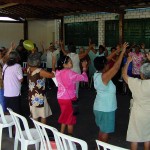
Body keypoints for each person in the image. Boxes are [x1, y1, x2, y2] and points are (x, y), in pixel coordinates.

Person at [93, 42, 128, 143]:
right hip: (106, 109)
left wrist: (117, 51)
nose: (108, 63)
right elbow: (116, 68)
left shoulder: (97, 74)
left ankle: (98, 147)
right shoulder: (104, 77)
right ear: (104, 66)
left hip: (99, 108)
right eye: (106, 63)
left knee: (102, 130)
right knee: (105, 132)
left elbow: (106, 59)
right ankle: (102, 147)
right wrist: (122, 53)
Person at [122, 54, 150, 150]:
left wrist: (128, 62)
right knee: (147, 137)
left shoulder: (136, 83)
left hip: (137, 113)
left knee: (135, 136)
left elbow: (124, 75)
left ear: (141, 74)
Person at [55, 55, 88, 135]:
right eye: (70, 61)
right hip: (70, 99)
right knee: (70, 120)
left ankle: (61, 135)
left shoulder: (58, 72)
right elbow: (84, 78)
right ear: (64, 64)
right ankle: (69, 139)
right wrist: (84, 69)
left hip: (60, 98)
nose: (72, 62)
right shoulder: (70, 73)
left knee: (64, 115)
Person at [27, 53, 55, 124]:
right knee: (43, 114)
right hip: (40, 96)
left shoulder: (28, 69)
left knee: (34, 114)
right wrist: (53, 65)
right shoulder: (40, 71)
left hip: (32, 95)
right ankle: (42, 131)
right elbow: (52, 75)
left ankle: (36, 131)